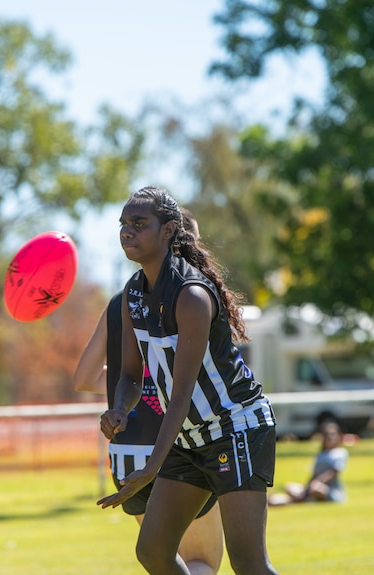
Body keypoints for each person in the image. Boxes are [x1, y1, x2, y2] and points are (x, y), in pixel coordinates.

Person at [98, 185, 278, 575]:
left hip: (237, 429)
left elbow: (181, 393)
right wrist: (118, 408)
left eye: (139, 224)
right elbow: (130, 374)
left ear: (167, 231)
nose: (126, 231)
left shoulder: (191, 294)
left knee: (248, 563)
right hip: (190, 436)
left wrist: (151, 466)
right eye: (123, 224)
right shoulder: (133, 293)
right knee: (153, 552)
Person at [74, 208, 223, 575]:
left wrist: (131, 390)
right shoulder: (193, 296)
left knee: (165, 562)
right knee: (202, 562)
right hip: (182, 449)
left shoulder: (123, 298)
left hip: (127, 455)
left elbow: (83, 378)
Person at [268, 420, 348, 506]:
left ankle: (296, 500)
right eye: (327, 435)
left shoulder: (340, 452)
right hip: (313, 486)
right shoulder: (320, 455)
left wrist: (317, 482)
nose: (330, 438)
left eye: (332, 435)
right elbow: (314, 474)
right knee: (290, 487)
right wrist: (307, 487)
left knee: (315, 489)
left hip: (329, 489)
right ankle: (293, 499)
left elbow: (333, 472)